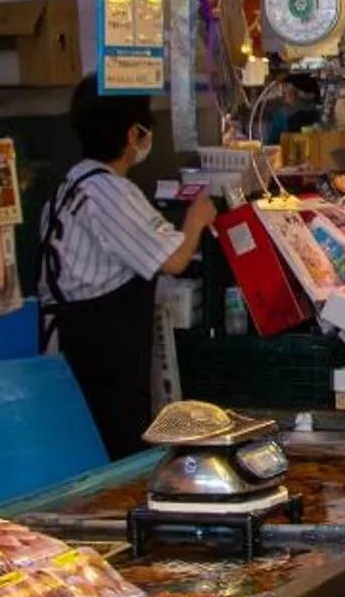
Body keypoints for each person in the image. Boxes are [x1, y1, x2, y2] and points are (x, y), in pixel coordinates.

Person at [37, 79, 217, 460]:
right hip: (98, 344)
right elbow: (174, 260)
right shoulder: (110, 192)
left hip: (73, 337)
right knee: (118, 446)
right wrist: (197, 218)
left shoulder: (70, 185)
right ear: (133, 133)